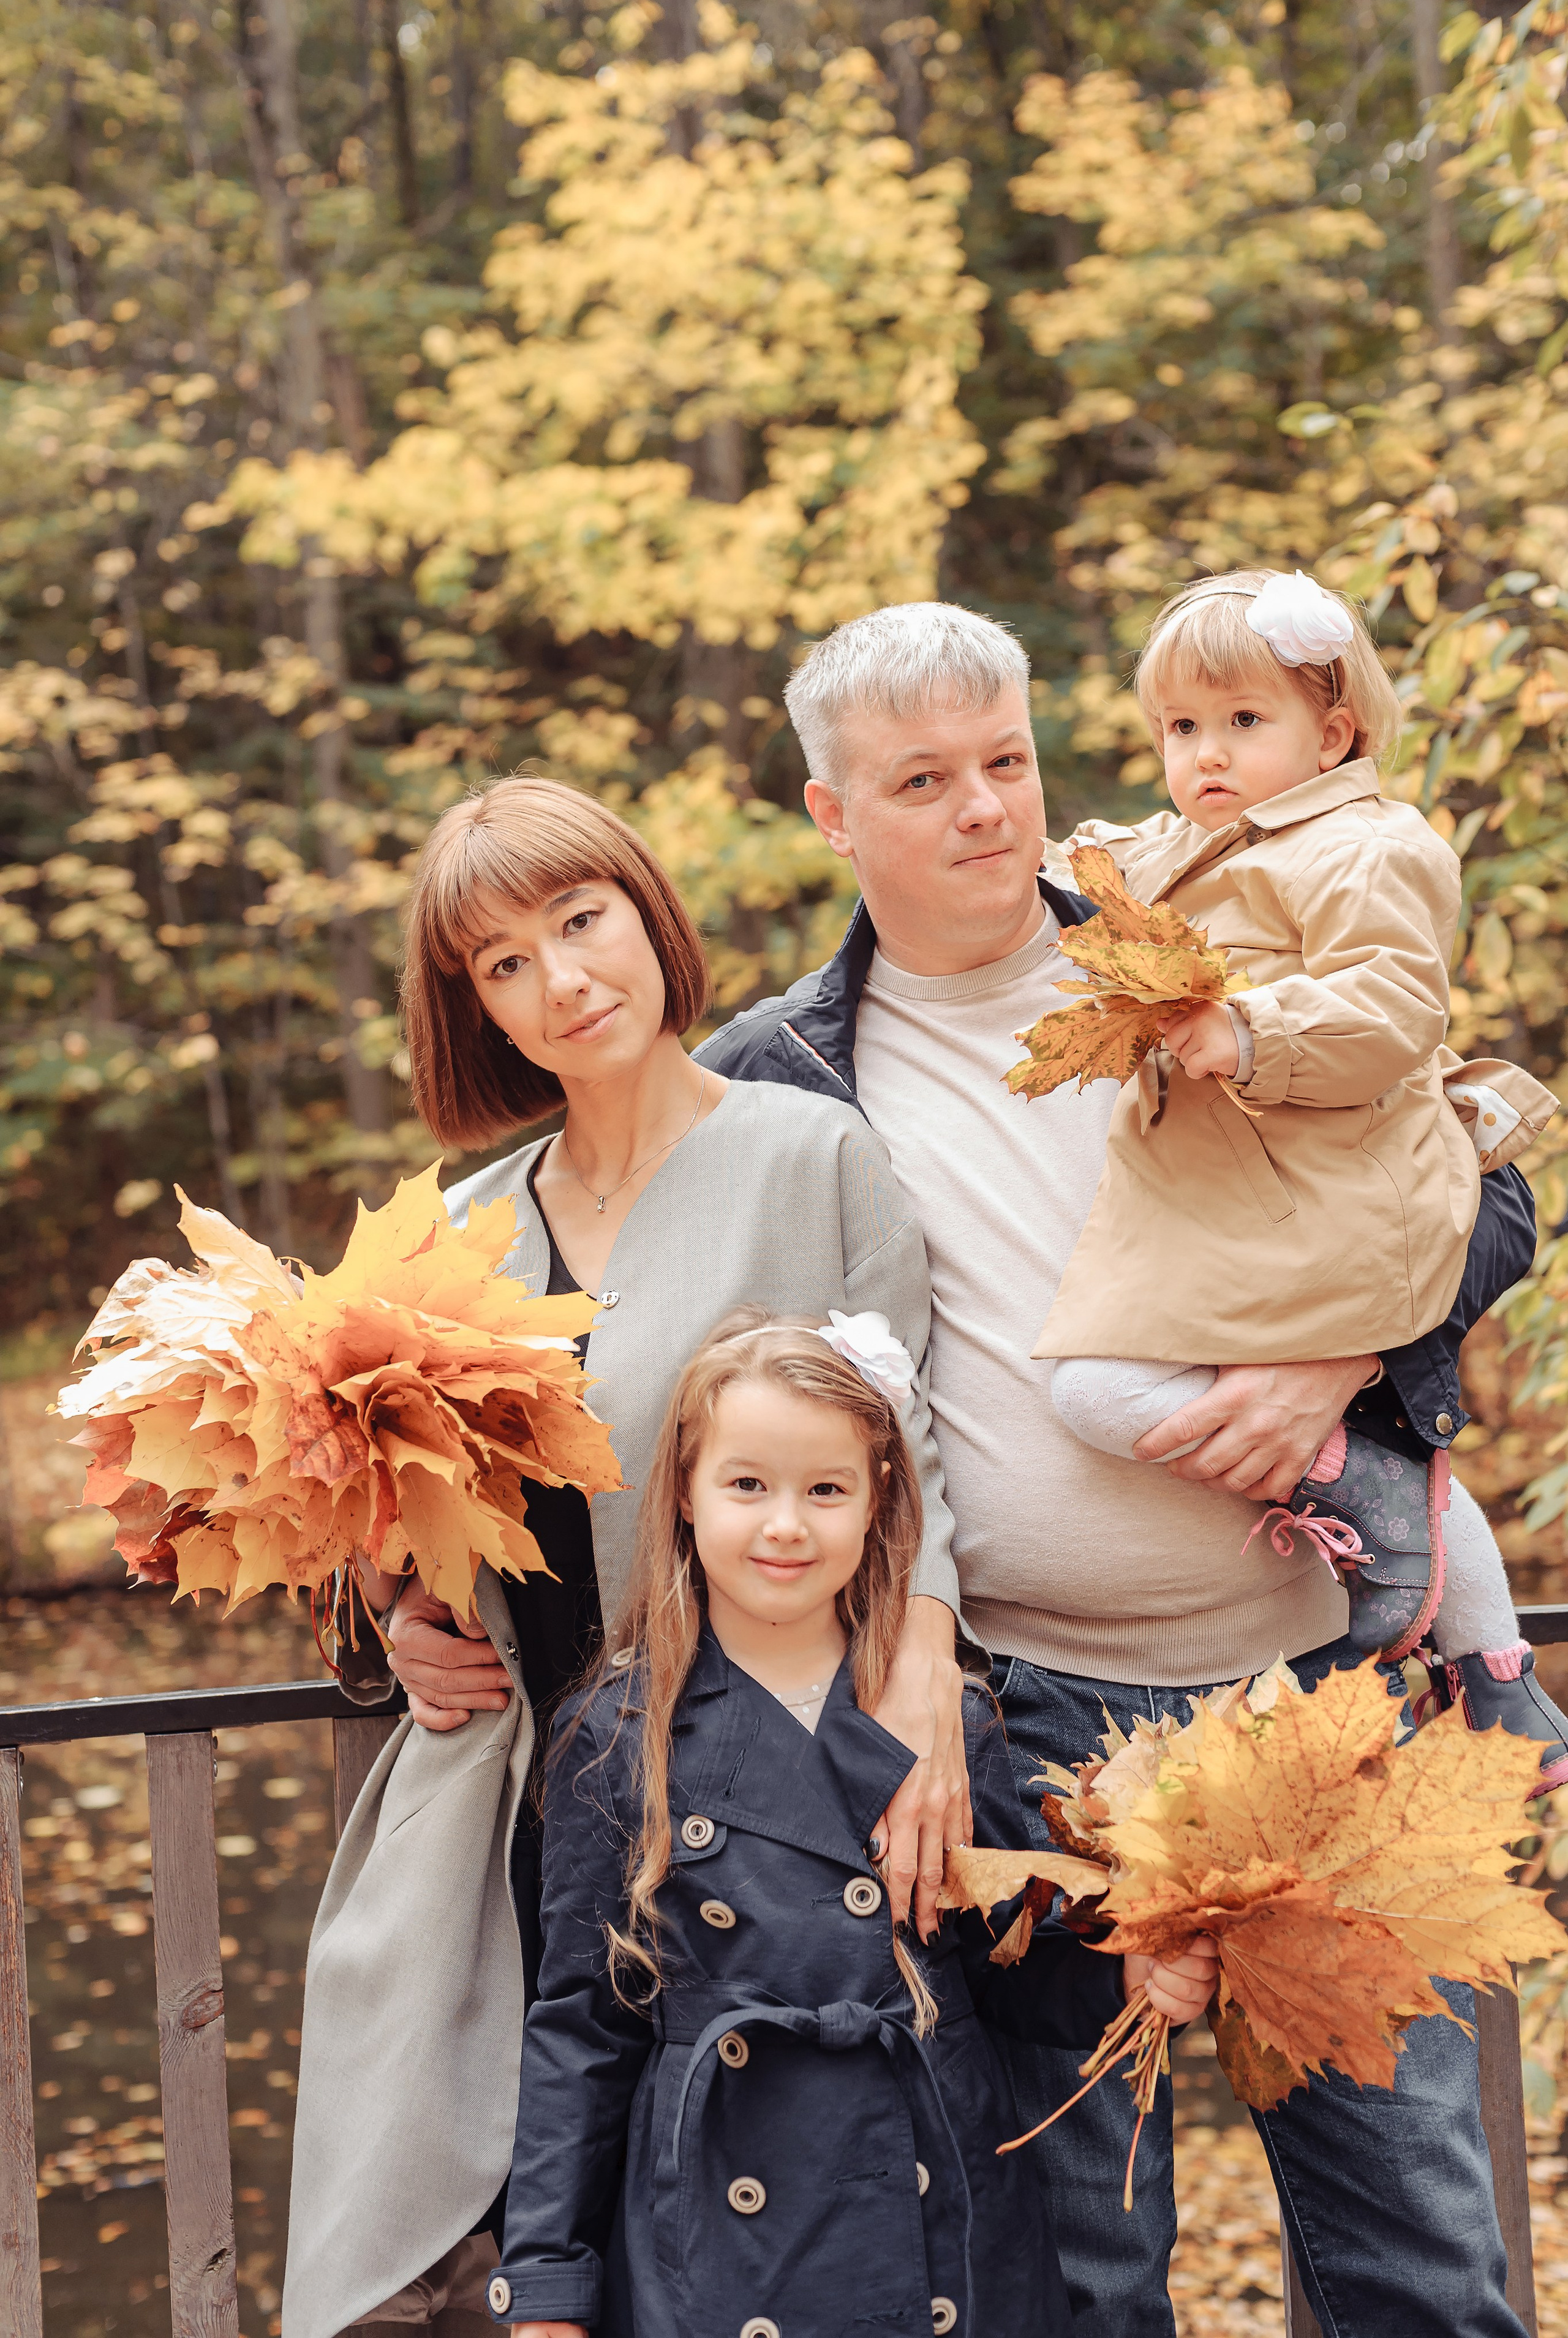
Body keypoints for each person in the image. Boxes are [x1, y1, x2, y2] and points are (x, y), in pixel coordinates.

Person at [694, 598, 1539, 2338]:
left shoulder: (1193, 951)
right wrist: (400, 1611)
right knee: (1079, 2272)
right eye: (924, 780)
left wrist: (1343, 1354)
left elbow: (1486, 1186)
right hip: (1034, 1732)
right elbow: (651, 1386)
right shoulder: (773, 1085)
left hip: (1327, 1689)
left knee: (1420, 2248)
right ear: (831, 815)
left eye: (1007, 761)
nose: (989, 809)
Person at [282, 780, 967, 2338]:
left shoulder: (818, 1157)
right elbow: (370, 1508)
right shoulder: (453, 1230)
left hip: (755, 1788)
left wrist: (925, 1658)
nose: (561, 980)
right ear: (474, 1011)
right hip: (513, 1794)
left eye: (578, 923)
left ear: (647, 917)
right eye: (502, 964)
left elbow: (915, 1452)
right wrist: (387, 1617)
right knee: (462, 2242)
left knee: (743, 2223)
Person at [484, 1310, 1218, 2338]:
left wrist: (1126, 1978)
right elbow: (582, 2026)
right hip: (720, 2210)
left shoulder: (947, 1725)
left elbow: (1002, 1963)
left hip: (934, 2180)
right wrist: (548, 2289)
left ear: (879, 1506)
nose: (786, 1525)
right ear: (685, 1500)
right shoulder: (618, 1733)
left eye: (825, 1489)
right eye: (748, 1485)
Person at [1031, 568, 1565, 1773]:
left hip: (1332, 1183)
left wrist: (1250, 1030)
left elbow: (1388, 1004)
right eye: (1179, 728)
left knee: (1121, 1390)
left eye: (1241, 721)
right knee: (1099, 1391)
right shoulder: (1192, 846)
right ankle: (1474, 1650)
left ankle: (1434, 1596)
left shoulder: (1367, 845)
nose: (1204, 754)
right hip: (1232, 1200)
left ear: (1331, 730)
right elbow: (1098, 863)